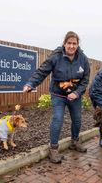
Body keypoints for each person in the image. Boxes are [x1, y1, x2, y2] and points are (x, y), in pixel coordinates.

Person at [23, 31, 90, 164]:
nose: (71, 46)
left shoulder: (83, 59)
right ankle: (53, 149)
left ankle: (74, 142)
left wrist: (76, 93)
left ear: (77, 45)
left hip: (74, 96)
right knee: (57, 119)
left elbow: (85, 80)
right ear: (64, 43)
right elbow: (42, 72)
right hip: (58, 94)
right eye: (69, 43)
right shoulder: (56, 57)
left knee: (77, 120)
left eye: (74, 43)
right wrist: (30, 84)